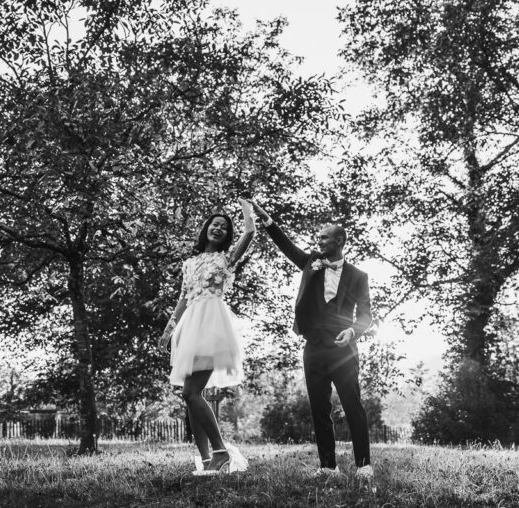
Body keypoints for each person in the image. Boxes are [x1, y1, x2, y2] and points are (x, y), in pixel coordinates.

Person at [252, 202, 374, 481]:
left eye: (324, 237)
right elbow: (286, 245)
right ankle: (328, 467)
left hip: (344, 349)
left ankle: (364, 465)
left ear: (340, 240)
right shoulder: (310, 263)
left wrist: (353, 331)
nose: (318, 242)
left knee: (353, 405)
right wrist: (267, 219)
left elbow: (366, 315)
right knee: (319, 408)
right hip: (314, 347)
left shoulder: (359, 276)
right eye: (318, 238)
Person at [160, 199, 255, 475]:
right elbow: (183, 299)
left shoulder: (226, 259)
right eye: (215, 224)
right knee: (191, 394)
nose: (219, 229)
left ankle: (221, 451)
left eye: (224, 227)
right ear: (206, 229)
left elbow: (249, 234)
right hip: (190, 327)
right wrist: (168, 330)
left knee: (191, 392)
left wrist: (247, 209)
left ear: (227, 236)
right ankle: (205, 460)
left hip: (213, 325)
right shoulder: (189, 263)